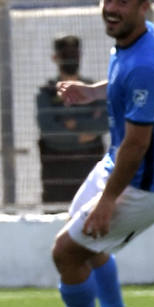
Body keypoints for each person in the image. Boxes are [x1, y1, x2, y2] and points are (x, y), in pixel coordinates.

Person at [32, 0, 154, 307]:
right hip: (120, 166)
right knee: (82, 239)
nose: (112, 8)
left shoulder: (146, 64)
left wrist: (108, 200)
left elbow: (137, 145)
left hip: (143, 185)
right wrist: (93, 92)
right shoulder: (139, 36)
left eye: (123, 1)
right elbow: (124, 85)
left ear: (143, 7)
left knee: (66, 252)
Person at [36, 34, 107, 203]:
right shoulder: (47, 93)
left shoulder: (92, 89)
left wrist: (75, 123)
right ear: (55, 58)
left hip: (88, 165)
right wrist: (81, 136)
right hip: (57, 170)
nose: (70, 59)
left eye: (74, 54)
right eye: (65, 55)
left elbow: (104, 122)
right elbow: (49, 130)